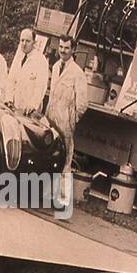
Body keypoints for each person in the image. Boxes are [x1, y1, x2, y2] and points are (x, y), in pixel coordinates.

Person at [46, 34, 88, 172]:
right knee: (49, 157)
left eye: (67, 48)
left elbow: (82, 104)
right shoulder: (56, 66)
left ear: (73, 49)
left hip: (65, 124)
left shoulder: (77, 73)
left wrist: (71, 120)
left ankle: (62, 192)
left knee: (64, 161)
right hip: (50, 120)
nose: (63, 51)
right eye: (61, 47)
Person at [5, 28, 49, 116]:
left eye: (28, 41)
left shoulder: (41, 60)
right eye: (22, 40)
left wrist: (32, 106)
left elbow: (41, 87)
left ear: (34, 42)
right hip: (14, 106)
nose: (24, 44)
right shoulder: (19, 57)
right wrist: (9, 98)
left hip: (29, 111)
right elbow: (11, 79)